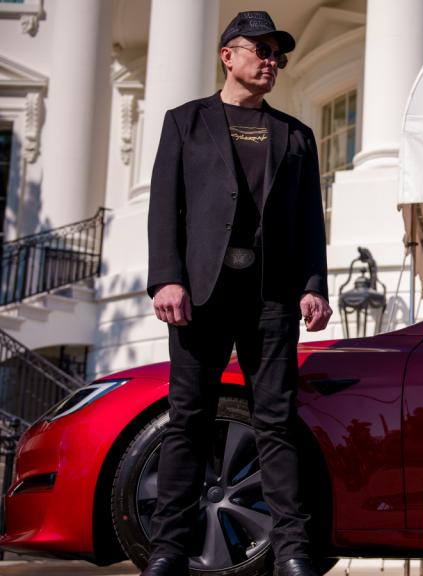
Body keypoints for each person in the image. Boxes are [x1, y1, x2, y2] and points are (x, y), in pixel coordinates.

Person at [144, 11, 331, 576]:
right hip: (201, 294)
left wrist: (313, 286)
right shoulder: (185, 121)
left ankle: (293, 550)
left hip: (272, 297)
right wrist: (166, 278)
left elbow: (309, 222)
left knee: (276, 421)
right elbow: (165, 205)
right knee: (188, 419)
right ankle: (169, 549)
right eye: (262, 50)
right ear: (228, 55)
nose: (272, 61)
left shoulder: (296, 135)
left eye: (279, 55)